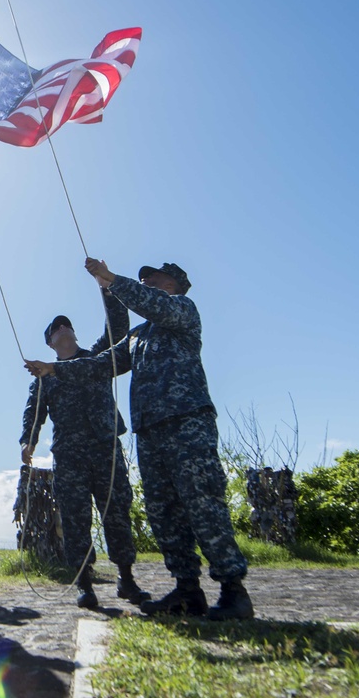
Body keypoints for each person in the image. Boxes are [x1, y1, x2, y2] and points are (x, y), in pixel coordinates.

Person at [26, 260, 253, 620]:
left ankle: (233, 591)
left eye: (154, 280)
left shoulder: (181, 311)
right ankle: (187, 590)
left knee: (203, 506)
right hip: (149, 433)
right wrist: (54, 368)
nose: (146, 282)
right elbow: (102, 365)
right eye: (143, 280)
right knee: (165, 514)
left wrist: (112, 282)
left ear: (175, 284)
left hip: (186, 424)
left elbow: (147, 304)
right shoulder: (137, 337)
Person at [19, 300, 150, 610]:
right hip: (69, 455)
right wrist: (29, 441)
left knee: (117, 511)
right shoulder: (45, 377)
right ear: (51, 343)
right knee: (76, 520)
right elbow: (33, 412)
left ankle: (127, 579)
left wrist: (107, 293)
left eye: (67, 325)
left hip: (106, 447)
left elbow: (117, 330)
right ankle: (85, 585)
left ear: (74, 334)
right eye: (56, 329)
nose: (63, 329)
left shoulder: (97, 359)